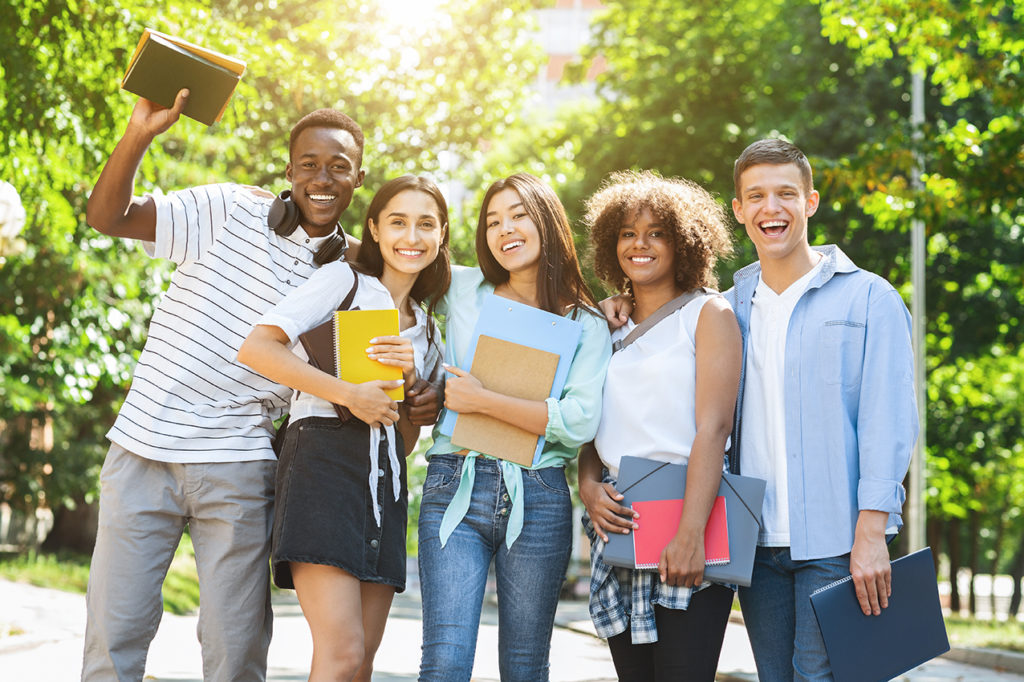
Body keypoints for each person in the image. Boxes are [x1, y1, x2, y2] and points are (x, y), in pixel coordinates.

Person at [82, 90, 432, 681]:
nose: (323, 178)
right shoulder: (225, 208)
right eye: (310, 165)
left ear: (359, 180)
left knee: (237, 651)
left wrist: (418, 397)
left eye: (339, 167)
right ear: (289, 170)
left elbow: (416, 303)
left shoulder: (354, 273)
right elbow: (106, 217)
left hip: (243, 463)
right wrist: (139, 134)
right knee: (114, 640)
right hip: (144, 445)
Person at [237, 175, 449, 681]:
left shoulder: (429, 329)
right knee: (342, 654)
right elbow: (257, 348)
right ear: (373, 229)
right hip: (321, 466)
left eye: (426, 224)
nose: (411, 237)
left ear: (442, 235)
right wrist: (349, 393)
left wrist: (412, 385)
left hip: (385, 486)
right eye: (398, 222)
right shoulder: (346, 283)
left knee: (362, 665)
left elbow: (401, 440)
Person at [725, 138, 917, 680]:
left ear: (810, 201)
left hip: (836, 541)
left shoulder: (870, 299)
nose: (772, 208)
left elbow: (889, 423)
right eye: (756, 196)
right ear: (739, 211)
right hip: (757, 544)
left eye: (786, 193)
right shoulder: (728, 306)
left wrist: (872, 533)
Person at [416, 172, 612, 682]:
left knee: (525, 667)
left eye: (519, 215)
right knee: (445, 660)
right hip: (453, 481)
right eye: (493, 221)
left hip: (538, 494)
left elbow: (577, 422)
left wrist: (483, 401)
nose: (505, 229)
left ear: (546, 221)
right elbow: (398, 252)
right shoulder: (462, 288)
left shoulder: (586, 323)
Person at [577, 171, 741, 681]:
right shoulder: (602, 325)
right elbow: (585, 419)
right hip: (620, 514)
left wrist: (692, 531)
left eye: (657, 233)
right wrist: (586, 487)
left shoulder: (708, 312)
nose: (640, 244)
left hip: (690, 510)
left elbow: (713, 429)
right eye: (627, 232)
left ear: (685, 241)